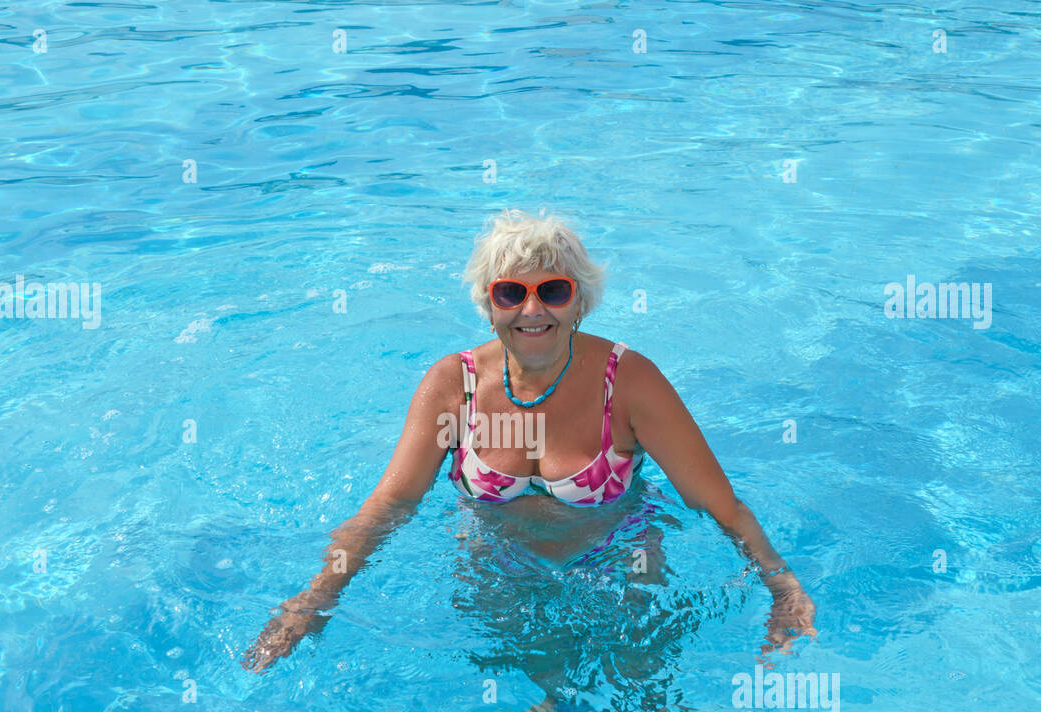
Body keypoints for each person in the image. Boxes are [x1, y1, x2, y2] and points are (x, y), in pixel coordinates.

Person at [243, 209, 817, 674]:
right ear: (488, 303)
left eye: (554, 290)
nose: (532, 309)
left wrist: (783, 588)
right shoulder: (453, 386)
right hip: (499, 560)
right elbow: (390, 504)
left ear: (581, 300)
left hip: (618, 551)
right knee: (527, 678)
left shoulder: (630, 381)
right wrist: (312, 601)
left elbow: (717, 503)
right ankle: (548, 699)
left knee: (642, 681)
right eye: (511, 292)